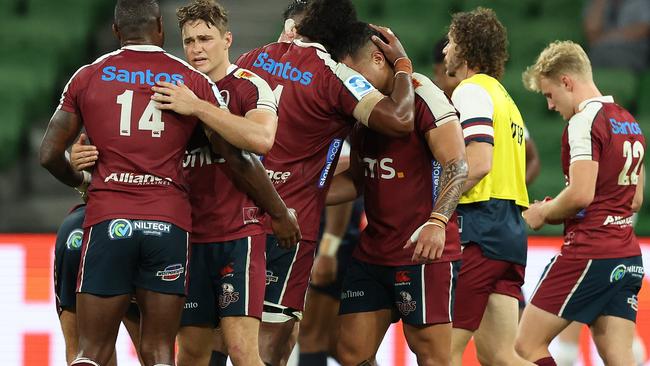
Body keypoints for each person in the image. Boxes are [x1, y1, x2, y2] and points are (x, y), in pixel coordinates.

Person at [69, 1, 301, 365]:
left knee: (242, 350)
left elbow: (260, 140)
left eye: (206, 39)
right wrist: (82, 165)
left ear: (227, 40)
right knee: (191, 353)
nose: (197, 49)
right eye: (189, 40)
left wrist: (199, 107)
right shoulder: (171, 85)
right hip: (186, 235)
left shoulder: (246, 86)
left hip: (237, 234)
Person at [231, 0, 418, 363]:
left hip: (231, 219)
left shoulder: (251, 59)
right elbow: (399, 120)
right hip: (287, 227)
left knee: (224, 334)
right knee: (272, 340)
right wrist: (403, 66)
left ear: (295, 29)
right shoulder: (334, 75)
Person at [322, 21, 468, 366]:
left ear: (377, 59)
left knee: (433, 357)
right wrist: (301, 194)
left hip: (423, 250)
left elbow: (457, 165)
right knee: (351, 353)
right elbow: (358, 178)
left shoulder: (424, 95)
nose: (349, 85)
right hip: (374, 252)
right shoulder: (363, 109)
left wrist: (436, 221)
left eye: (353, 76)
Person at [517, 40, 646, 366]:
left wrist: (543, 211)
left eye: (549, 95)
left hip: (590, 252)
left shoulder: (584, 121)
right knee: (619, 356)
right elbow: (636, 200)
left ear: (566, 82)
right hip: (627, 254)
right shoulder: (629, 121)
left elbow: (580, 194)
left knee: (524, 346)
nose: (550, 106)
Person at [442, 8, 533, 366]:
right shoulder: (507, 101)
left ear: (464, 49)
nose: (445, 50)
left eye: (450, 42)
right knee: (499, 356)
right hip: (509, 231)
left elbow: (479, 164)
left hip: (478, 227)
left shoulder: (471, 91)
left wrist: (437, 208)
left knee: (440, 352)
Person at [54, 201, 141, 365]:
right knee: (155, 350)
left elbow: (69, 174)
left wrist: (83, 181)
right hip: (143, 225)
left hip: (79, 227)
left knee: (84, 351)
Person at [583, 0, 650, 71]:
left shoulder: (642, 2)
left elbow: (644, 29)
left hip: (633, 51)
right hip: (600, 51)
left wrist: (608, 37)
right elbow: (592, 34)